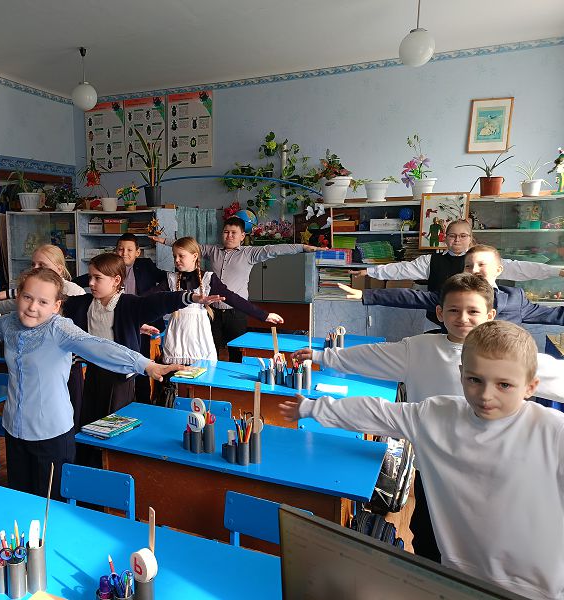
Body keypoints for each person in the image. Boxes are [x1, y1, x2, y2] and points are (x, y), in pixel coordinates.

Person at [280, 320, 564, 599]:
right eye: (475, 380)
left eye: (504, 385)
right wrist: (312, 408)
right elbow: (376, 413)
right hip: (459, 580)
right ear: (461, 373)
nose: (486, 395)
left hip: (540, 590)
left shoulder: (553, 432)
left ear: (531, 387)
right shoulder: (436, 415)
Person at [0, 267, 185, 499]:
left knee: (50, 505)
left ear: (56, 306)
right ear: (18, 297)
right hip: (14, 430)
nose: (32, 307)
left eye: (43, 302)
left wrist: (146, 365)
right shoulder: (10, 322)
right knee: (19, 499)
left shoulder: (59, 329)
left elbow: (99, 346)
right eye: (27, 297)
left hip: (50, 434)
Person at [64, 252, 222, 464]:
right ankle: (89, 467)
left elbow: (159, 301)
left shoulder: (128, 304)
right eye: (90, 277)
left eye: (97, 278)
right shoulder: (85, 303)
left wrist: (190, 297)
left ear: (116, 280)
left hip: (120, 378)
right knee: (90, 424)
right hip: (94, 374)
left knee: (116, 427)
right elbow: (55, 297)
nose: (90, 283)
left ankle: (116, 465)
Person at [152, 216, 317, 361]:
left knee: (237, 352)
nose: (229, 236)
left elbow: (274, 250)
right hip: (212, 311)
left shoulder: (249, 253)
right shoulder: (213, 251)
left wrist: (302, 247)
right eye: (226, 232)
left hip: (236, 311)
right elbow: (188, 248)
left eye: (233, 233)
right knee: (211, 348)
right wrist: (164, 241)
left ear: (242, 236)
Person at [353, 219, 564, 327]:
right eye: (452, 236)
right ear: (445, 238)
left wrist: (556, 271)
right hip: (441, 322)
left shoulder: (489, 262)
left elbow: (522, 268)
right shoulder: (432, 261)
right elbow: (402, 272)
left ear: (471, 238)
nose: (457, 240)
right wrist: (371, 272)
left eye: (463, 236)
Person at [148, 236, 284, 365]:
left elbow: (233, 298)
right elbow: (148, 298)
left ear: (195, 256)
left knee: (202, 372)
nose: (177, 260)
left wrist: (263, 315)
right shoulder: (171, 279)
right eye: (174, 256)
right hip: (176, 335)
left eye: (181, 256)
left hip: (199, 334)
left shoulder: (208, 278)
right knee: (173, 373)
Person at [74, 234, 168, 402]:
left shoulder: (145, 266)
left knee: (141, 364)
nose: (124, 253)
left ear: (138, 252)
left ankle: (143, 402)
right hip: (115, 323)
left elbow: (166, 280)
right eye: (120, 249)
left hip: (140, 323)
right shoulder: (105, 270)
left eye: (129, 250)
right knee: (119, 367)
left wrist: (151, 294)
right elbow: (83, 280)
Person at [0, 244, 85, 311]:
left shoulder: (75, 291)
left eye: (42, 265)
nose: (35, 269)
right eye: (33, 264)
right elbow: (13, 303)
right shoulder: (32, 287)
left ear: (59, 269)